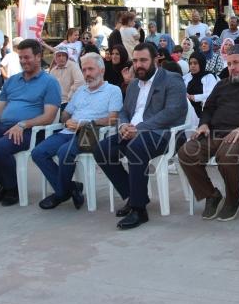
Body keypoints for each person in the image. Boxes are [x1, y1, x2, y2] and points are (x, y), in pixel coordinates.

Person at [92, 42, 187, 229]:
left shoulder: (172, 79)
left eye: (143, 60)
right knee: (102, 149)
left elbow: (173, 112)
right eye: (135, 61)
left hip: (162, 133)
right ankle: (134, 195)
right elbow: (124, 111)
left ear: (156, 60)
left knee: (136, 148)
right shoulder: (134, 83)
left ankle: (139, 209)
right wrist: (124, 125)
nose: (138, 65)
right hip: (132, 132)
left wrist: (140, 128)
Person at [178, 44, 239, 221]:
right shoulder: (222, 85)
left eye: (236, 63)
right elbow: (208, 108)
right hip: (214, 133)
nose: (232, 68)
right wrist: (204, 124)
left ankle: (233, 198)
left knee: (227, 154)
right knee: (186, 152)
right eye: (229, 64)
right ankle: (211, 195)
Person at [0, 39, 61, 206]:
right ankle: (3, 182)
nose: (23, 61)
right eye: (20, 58)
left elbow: (49, 116)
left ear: (38, 57)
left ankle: (11, 189)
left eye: (27, 57)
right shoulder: (12, 81)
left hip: (31, 130)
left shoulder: (50, 82)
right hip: (3, 126)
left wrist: (23, 124)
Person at [31, 52, 122, 211]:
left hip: (93, 131)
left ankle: (60, 193)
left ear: (101, 70)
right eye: (84, 69)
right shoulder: (80, 91)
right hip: (68, 131)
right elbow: (66, 113)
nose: (87, 74)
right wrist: (66, 120)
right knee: (38, 152)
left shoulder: (113, 90)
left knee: (64, 152)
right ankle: (69, 188)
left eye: (91, 69)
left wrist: (84, 124)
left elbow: (113, 119)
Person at [49, 47, 84, 112]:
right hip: (56, 102)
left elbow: (80, 81)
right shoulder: (53, 71)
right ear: (55, 58)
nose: (61, 58)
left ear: (67, 57)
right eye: (59, 56)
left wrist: (70, 94)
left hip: (69, 102)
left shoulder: (73, 65)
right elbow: (50, 87)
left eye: (63, 55)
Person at [184, 52, 217, 118]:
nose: (192, 66)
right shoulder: (186, 77)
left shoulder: (209, 77)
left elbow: (212, 95)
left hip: (203, 113)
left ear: (201, 63)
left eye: (195, 63)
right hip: (187, 112)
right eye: (190, 63)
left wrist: (192, 97)